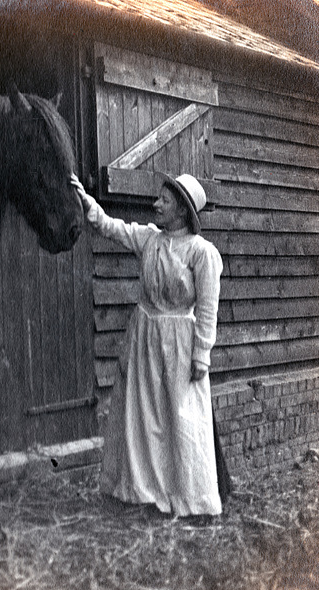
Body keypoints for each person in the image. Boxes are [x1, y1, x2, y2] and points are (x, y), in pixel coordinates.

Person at [71, 172, 230, 518]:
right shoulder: (150, 240)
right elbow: (110, 227)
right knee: (144, 418)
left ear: (183, 211)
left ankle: (189, 499)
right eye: (158, 198)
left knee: (180, 417)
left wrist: (202, 353)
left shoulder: (202, 253)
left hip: (180, 344)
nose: (156, 204)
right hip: (144, 338)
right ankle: (145, 493)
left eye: (165, 200)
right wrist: (85, 199)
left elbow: (207, 308)